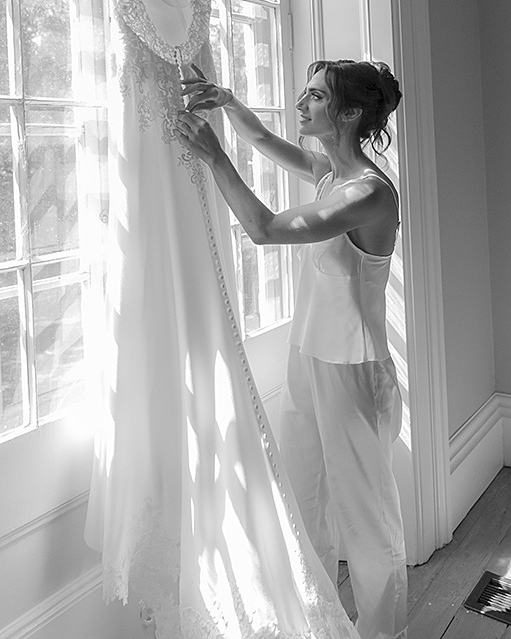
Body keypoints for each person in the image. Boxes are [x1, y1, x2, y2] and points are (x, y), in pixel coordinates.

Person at [175, 58, 408, 639]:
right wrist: (227, 102)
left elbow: (267, 228)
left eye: (315, 98)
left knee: (367, 522)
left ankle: (384, 633)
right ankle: (320, 623)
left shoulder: (369, 196)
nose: (301, 105)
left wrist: (214, 157)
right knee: (304, 497)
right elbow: (262, 137)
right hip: (308, 357)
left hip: (354, 371)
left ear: (349, 113)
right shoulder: (330, 171)